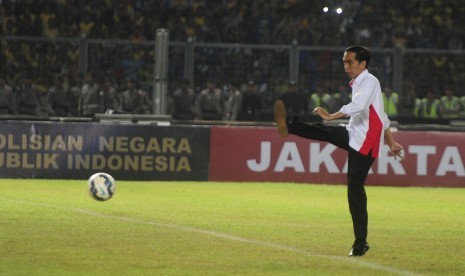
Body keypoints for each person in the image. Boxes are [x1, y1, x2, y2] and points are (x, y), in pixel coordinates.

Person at [273, 45, 404, 257]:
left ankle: (361, 242)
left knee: (355, 187)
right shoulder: (360, 83)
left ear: (363, 64)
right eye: (344, 61)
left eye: (350, 62)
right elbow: (383, 117)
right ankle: (290, 126)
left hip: (367, 141)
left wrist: (331, 115)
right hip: (356, 134)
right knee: (326, 132)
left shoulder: (370, 81)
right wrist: (391, 142)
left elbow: (360, 106)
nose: (346, 65)